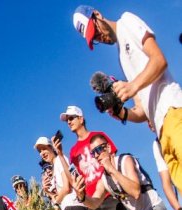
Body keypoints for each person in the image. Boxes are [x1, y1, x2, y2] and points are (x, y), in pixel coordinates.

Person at [72, 6, 182, 192]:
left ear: (97, 14)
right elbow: (142, 112)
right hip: (161, 133)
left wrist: (132, 86)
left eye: (96, 30)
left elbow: (159, 60)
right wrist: (122, 113)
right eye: (95, 38)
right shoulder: (122, 58)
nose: (100, 37)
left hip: (173, 112)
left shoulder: (126, 21)